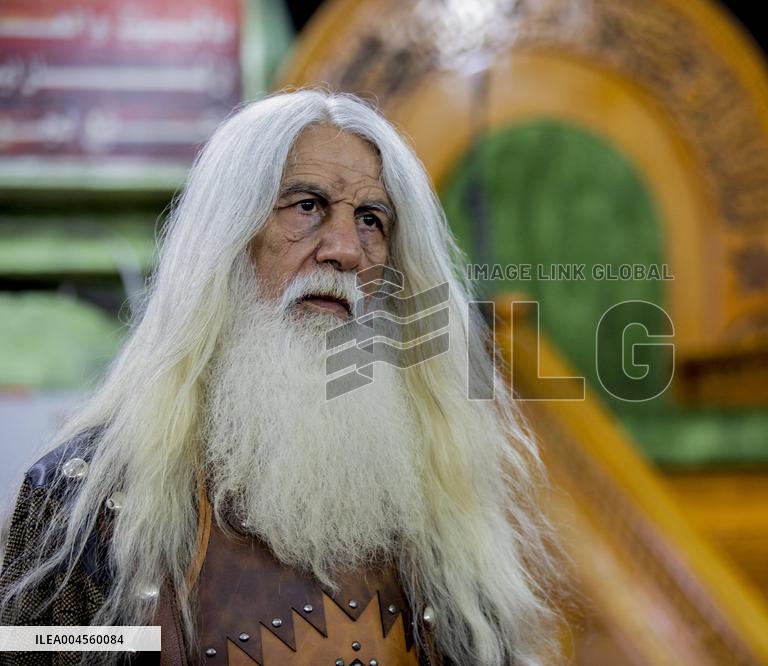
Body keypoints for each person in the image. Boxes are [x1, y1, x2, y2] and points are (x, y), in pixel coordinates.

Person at [0, 90, 559, 665]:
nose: (345, 249)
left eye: (371, 220)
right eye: (307, 206)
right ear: (228, 241)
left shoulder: (441, 493)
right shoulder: (89, 499)